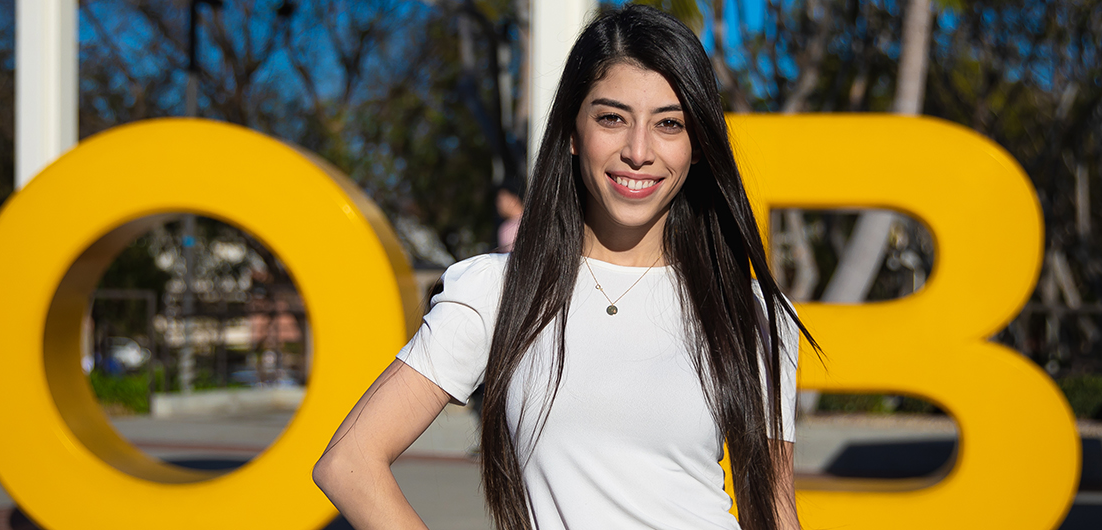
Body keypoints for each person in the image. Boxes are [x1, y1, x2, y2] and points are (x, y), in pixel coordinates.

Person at [313, 6, 815, 530]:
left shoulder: (753, 314)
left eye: (669, 124)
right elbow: (349, 463)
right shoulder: (497, 292)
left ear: (697, 147)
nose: (639, 151)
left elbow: (775, 512)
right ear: (573, 132)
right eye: (611, 118)